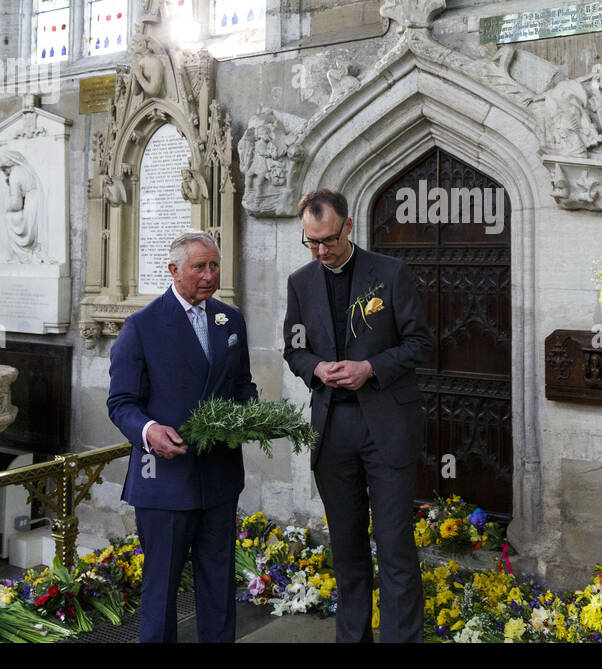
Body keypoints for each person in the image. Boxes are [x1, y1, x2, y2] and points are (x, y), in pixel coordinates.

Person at [282, 190, 432, 642]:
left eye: (327, 240)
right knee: (346, 551)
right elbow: (294, 348)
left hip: (386, 424)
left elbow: (419, 344)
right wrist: (316, 368)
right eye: (311, 243)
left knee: (395, 548)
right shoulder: (300, 281)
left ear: (348, 227)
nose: (321, 251)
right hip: (332, 429)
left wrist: (371, 367)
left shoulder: (390, 274)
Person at [108, 230, 256, 643]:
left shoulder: (230, 319)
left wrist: (250, 416)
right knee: (162, 589)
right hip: (165, 482)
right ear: (173, 270)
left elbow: (243, 384)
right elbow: (121, 403)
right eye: (199, 267)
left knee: (219, 584)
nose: (209, 275)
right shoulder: (141, 326)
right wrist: (150, 431)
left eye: (214, 265)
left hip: (220, 477)